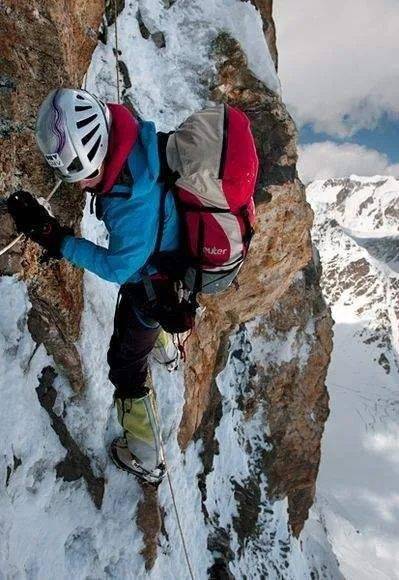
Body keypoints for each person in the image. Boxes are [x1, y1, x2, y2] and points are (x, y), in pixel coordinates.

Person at [7, 88, 181, 484]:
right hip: (168, 252)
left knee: (126, 370)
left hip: (153, 282)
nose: (82, 187)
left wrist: (57, 239)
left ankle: (148, 456)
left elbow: (119, 268)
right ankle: (165, 349)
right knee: (155, 315)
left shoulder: (130, 205)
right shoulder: (129, 136)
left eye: (83, 178)